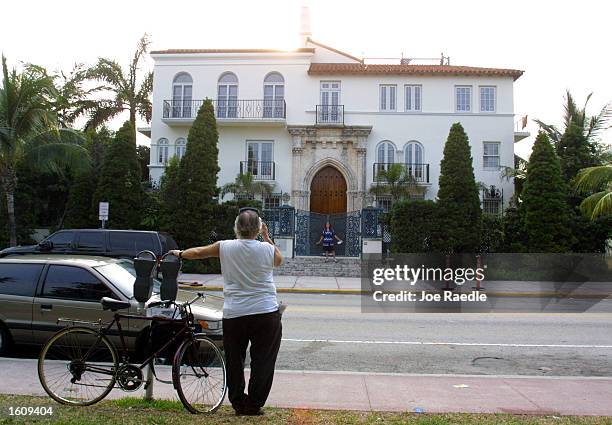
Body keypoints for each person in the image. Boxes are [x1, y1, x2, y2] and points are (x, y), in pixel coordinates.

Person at [169, 207, 283, 416]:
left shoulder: (225, 247)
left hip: (235, 313)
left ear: (236, 228)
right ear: (258, 228)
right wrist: (266, 237)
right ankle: (254, 403)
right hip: (266, 312)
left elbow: (198, 253)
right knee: (263, 359)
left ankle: (238, 402)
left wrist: (180, 253)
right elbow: (278, 260)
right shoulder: (266, 248)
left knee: (234, 359)